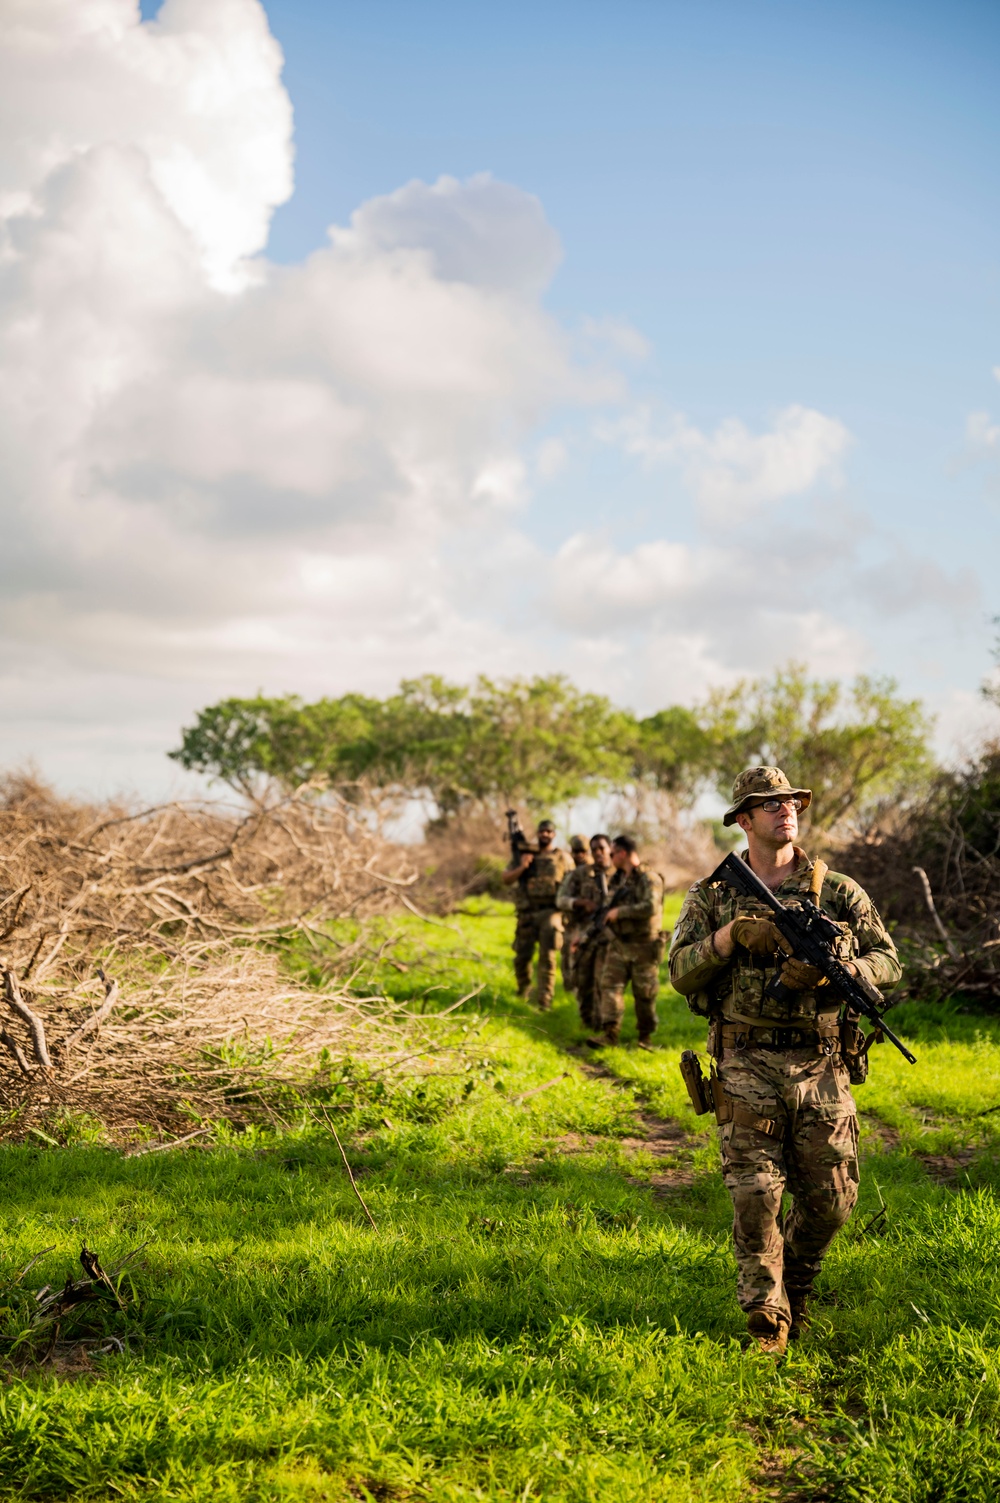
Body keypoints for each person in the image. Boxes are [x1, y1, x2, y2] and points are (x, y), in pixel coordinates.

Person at [668, 766, 902, 1358]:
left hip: (822, 1061)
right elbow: (679, 971)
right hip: (744, 1058)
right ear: (744, 820)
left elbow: (889, 961)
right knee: (755, 1192)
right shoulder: (714, 895)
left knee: (831, 1198)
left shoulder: (839, 891)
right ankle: (766, 1310)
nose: (785, 811)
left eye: (791, 802)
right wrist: (730, 939)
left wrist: (841, 970)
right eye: (769, 805)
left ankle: (796, 1278)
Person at [588, 834, 665, 1051]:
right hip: (620, 944)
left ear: (622, 853)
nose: (610, 858)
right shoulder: (620, 879)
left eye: (612, 854)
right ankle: (610, 1034)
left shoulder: (649, 878)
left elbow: (650, 907)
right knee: (610, 986)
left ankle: (645, 1038)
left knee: (645, 994)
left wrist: (619, 912)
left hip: (644, 946)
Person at [501, 818, 574, 1009]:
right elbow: (506, 878)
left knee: (547, 958)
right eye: (542, 831)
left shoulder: (562, 858)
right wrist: (523, 867)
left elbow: (574, 882)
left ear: (554, 835)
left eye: (549, 832)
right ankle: (523, 990)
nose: (545, 835)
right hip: (527, 913)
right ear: (537, 833)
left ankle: (545, 1000)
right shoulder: (524, 855)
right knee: (521, 957)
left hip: (551, 913)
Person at [557, 833, 614, 1028]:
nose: (598, 853)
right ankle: (586, 1020)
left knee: (603, 980)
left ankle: (602, 1023)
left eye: (602, 849)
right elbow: (561, 899)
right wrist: (579, 903)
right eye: (594, 849)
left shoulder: (619, 874)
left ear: (610, 849)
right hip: (582, 932)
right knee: (582, 978)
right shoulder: (580, 874)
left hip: (608, 936)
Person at [558, 836, 593, 997]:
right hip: (572, 922)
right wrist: (578, 902)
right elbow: (560, 899)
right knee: (567, 957)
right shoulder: (569, 870)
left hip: (592, 923)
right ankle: (570, 991)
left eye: (583, 851)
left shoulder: (595, 870)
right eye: (576, 851)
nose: (579, 854)